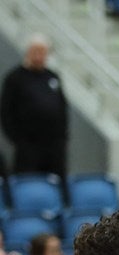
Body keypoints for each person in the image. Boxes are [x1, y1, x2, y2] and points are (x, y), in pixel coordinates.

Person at [0, 35, 68, 180]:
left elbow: (62, 109)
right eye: (35, 51)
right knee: (29, 183)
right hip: (28, 146)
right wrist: (18, 140)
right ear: (28, 53)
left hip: (54, 146)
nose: (39, 56)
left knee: (56, 184)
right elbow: (6, 112)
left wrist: (63, 139)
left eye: (42, 52)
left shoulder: (52, 77)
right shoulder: (15, 78)